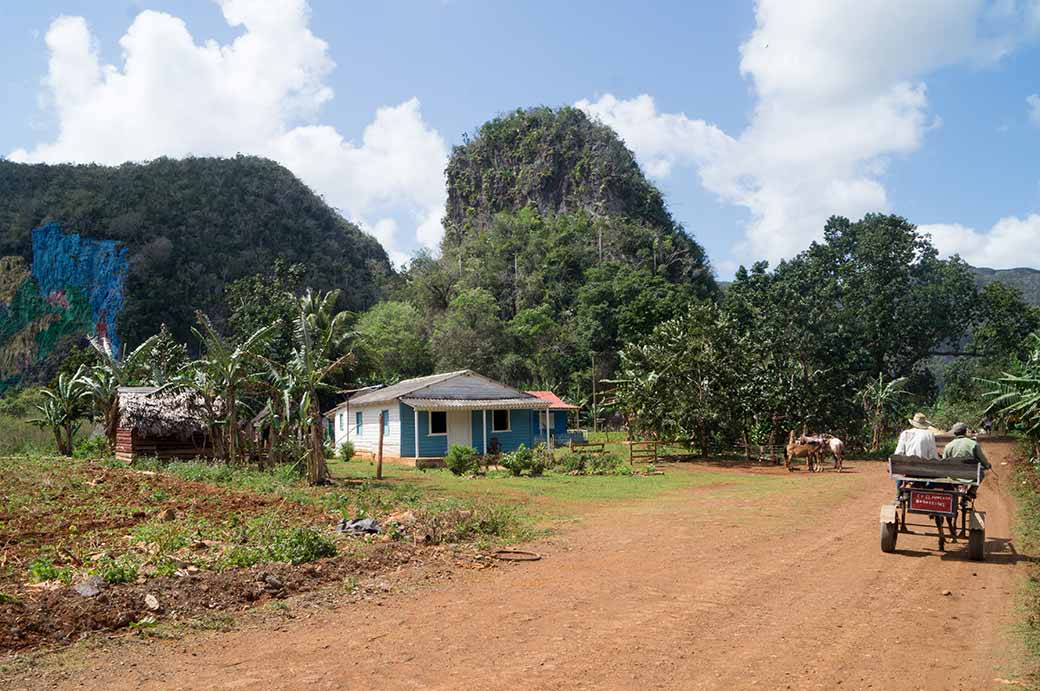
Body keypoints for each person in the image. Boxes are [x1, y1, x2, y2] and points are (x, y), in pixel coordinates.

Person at [892, 412, 939, 503]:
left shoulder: (905, 433)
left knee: (899, 469)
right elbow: (933, 455)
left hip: (908, 469)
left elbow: (898, 453)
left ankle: (898, 494)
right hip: (923, 470)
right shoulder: (929, 434)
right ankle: (927, 490)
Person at [943, 422, 991, 497]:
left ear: (954, 433)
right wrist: (987, 465)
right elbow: (982, 458)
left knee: (950, 476)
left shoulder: (948, 446)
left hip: (954, 476)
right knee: (981, 473)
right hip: (970, 475)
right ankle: (972, 491)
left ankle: (955, 491)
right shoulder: (973, 444)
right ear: (965, 432)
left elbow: (944, 462)